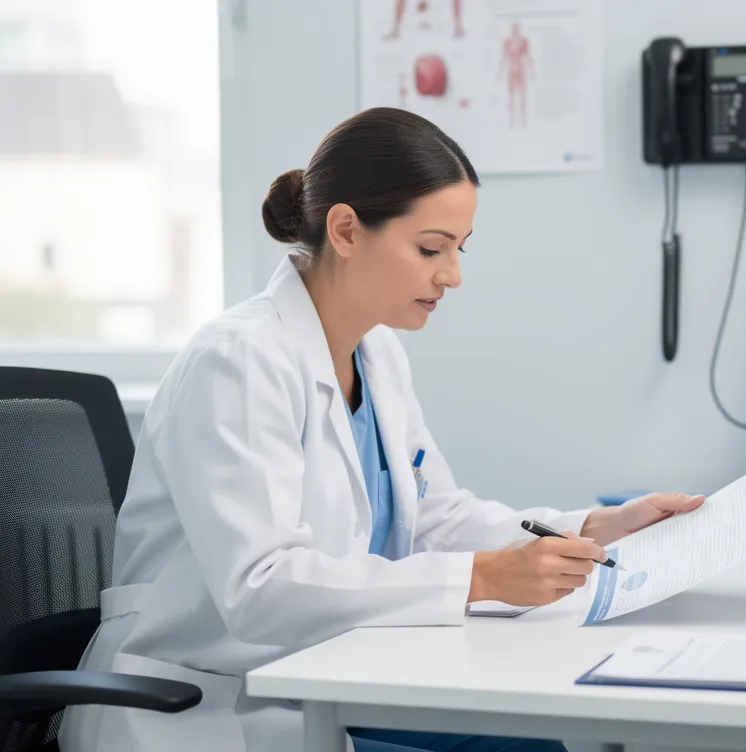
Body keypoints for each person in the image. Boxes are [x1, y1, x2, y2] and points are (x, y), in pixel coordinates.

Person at [59, 107, 704, 752]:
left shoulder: (378, 354)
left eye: (458, 248)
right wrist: (483, 577)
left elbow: (433, 518)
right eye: (431, 248)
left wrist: (591, 526)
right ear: (345, 228)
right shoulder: (239, 361)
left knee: (530, 739)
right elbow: (260, 589)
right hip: (209, 700)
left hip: (324, 675)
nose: (452, 274)